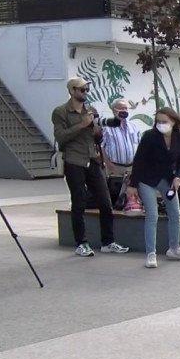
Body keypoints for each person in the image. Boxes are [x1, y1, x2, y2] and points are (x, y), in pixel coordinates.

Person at [52, 77, 129, 257]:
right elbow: (61, 137)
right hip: (74, 161)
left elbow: (98, 138)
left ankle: (108, 242)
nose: (85, 93)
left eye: (87, 89)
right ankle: (81, 243)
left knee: (105, 202)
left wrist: (97, 131)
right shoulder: (61, 112)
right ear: (72, 91)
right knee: (79, 202)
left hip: (92, 159)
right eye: (82, 90)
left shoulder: (91, 110)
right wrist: (82, 125)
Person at [127, 107, 180, 269]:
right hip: (147, 179)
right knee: (152, 214)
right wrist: (133, 184)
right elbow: (139, 160)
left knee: (175, 212)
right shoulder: (150, 137)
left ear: (173, 121)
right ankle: (151, 253)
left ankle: (174, 248)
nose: (161, 124)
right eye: (158, 121)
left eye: (164, 121)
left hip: (167, 178)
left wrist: (178, 177)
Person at [100, 98, 144, 213]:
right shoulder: (107, 127)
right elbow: (101, 147)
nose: (124, 110)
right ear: (114, 110)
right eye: (121, 108)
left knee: (132, 196)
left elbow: (140, 146)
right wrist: (109, 164)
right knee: (116, 196)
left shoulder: (133, 127)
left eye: (125, 108)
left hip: (132, 167)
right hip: (115, 167)